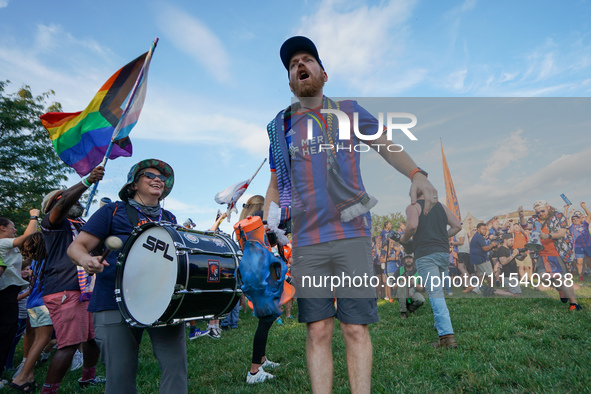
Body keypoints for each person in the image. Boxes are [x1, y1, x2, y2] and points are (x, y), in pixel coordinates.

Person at [263, 36, 438, 393]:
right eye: (293, 63)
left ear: (323, 74)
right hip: (307, 242)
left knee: (355, 328)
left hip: (351, 234)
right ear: (290, 81)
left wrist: (417, 174)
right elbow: (275, 181)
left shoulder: (348, 109)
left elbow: (386, 144)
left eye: (307, 59)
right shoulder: (280, 127)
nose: (300, 65)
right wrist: (269, 218)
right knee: (317, 329)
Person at [68, 159, 188, 393]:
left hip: (162, 302)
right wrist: (87, 261)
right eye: (149, 175)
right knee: (119, 375)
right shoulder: (112, 211)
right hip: (114, 301)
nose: (158, 180)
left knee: (176, 368)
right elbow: (76, 247)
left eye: (162, 178)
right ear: (133, 185)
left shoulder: (170, 219)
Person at [39, 167, 104, 393]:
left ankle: (88, 378)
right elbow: (64, 202)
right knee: (69, 344)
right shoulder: (52, 224)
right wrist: (86, 181)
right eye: (62, 196)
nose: (72, 199)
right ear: (53, 205)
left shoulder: (83, 227)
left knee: (93, 340)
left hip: (87, 290)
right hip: (65, 290)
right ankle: (49, 390)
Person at [399, 194, 462, 348]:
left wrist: (404, 239)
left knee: (435, 293)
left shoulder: (414, 207)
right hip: (442, 254)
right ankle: (439, 323)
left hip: (427, 254)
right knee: (438, 290)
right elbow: (457, 226)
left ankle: (446, 337)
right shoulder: (441, 206)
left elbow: (412, 226)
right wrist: (440, 236)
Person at [237, 195, 281, 384]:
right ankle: (254, 371)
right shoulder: (255, 224)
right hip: (261, 279)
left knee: (267, 319)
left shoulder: (244, 227)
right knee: (265, 321)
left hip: (255, 279)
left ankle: (261, 359)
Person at [9, 233, 54, 391]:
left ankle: (29, 376)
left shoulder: (35, 263)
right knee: (43, 339)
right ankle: (21, 378)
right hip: (43, 304)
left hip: (32, 304)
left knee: (37, 339)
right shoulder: (49, 261)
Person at [519, 201, 581, 311]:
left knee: (562, 279)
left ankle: (574, 304)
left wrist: (548, 235)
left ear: (548, 207)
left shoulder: (558, 216)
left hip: (557, 253)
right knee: (543, 278)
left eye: (542, 211)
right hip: (542, 254)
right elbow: (525, 225)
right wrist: (521, 216)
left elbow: (562, 232)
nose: (540, 214)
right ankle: (560, 290)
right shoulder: (535, 219)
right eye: (538, 212)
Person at [0, 209, 39, 384]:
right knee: (3, 335)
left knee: (7, 335)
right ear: (2, 228)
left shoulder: (7, 247)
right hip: (4, 295)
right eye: (12, 227)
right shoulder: (2, 243)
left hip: (10, 294)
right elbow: (26, 238)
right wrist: (33, 216)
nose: (15, 230)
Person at [565, 203, 591, 282]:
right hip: (578, 247)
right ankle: (580, 275)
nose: (576, 220)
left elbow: (589, 215)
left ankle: (589, 271)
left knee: (589, 260)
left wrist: (584, 207)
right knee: (579, 261)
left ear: (580, 219)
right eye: (574, 219)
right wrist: (566, 209)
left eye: (577, 218)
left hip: (588, 245)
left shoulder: (585, 224)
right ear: (572, 220)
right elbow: (565, 219)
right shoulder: (571, 227)